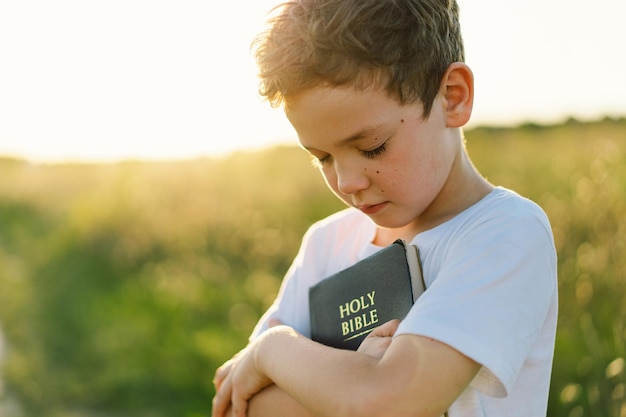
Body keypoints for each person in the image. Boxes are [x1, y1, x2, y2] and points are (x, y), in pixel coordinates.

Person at [212, 0, 558, 416]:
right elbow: (238, 404)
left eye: (371, 146)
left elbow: (386, 402)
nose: (346, 182)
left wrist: (274, 351)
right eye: (322, 157)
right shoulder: (326, 243)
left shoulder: (503, 233)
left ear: (452, 98)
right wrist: (357, 375)